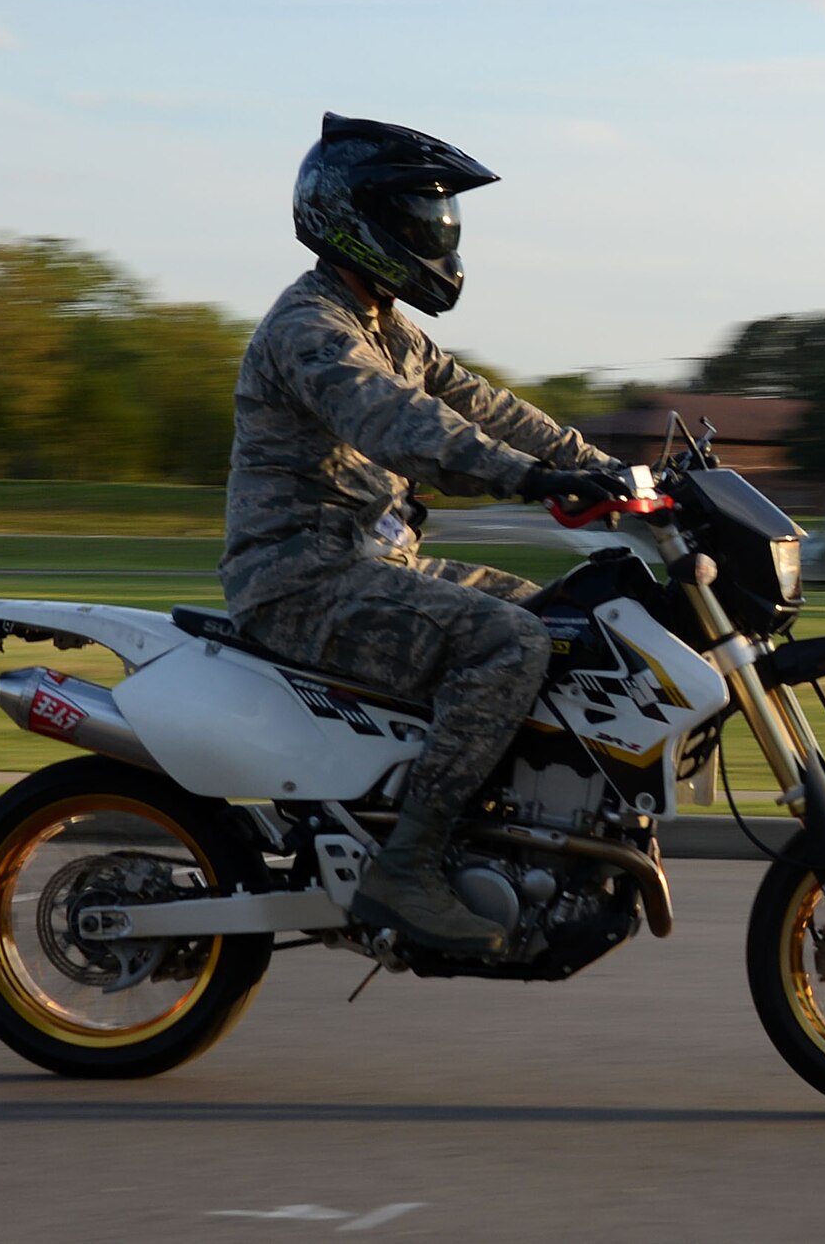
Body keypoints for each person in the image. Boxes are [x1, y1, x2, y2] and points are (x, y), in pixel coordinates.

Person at [220, 112, 627, 956]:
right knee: (509, 644)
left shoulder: (390, 325)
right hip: (302, 579)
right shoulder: (312, 328)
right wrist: (527, 479)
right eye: (422, 216)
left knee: (571, 623)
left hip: (375, 562)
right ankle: (408, 864)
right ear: (360, 221)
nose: (438, 233)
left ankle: (510, 837)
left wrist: (604, 470)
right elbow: (399, 421)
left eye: (442, 218)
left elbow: (484, 405)